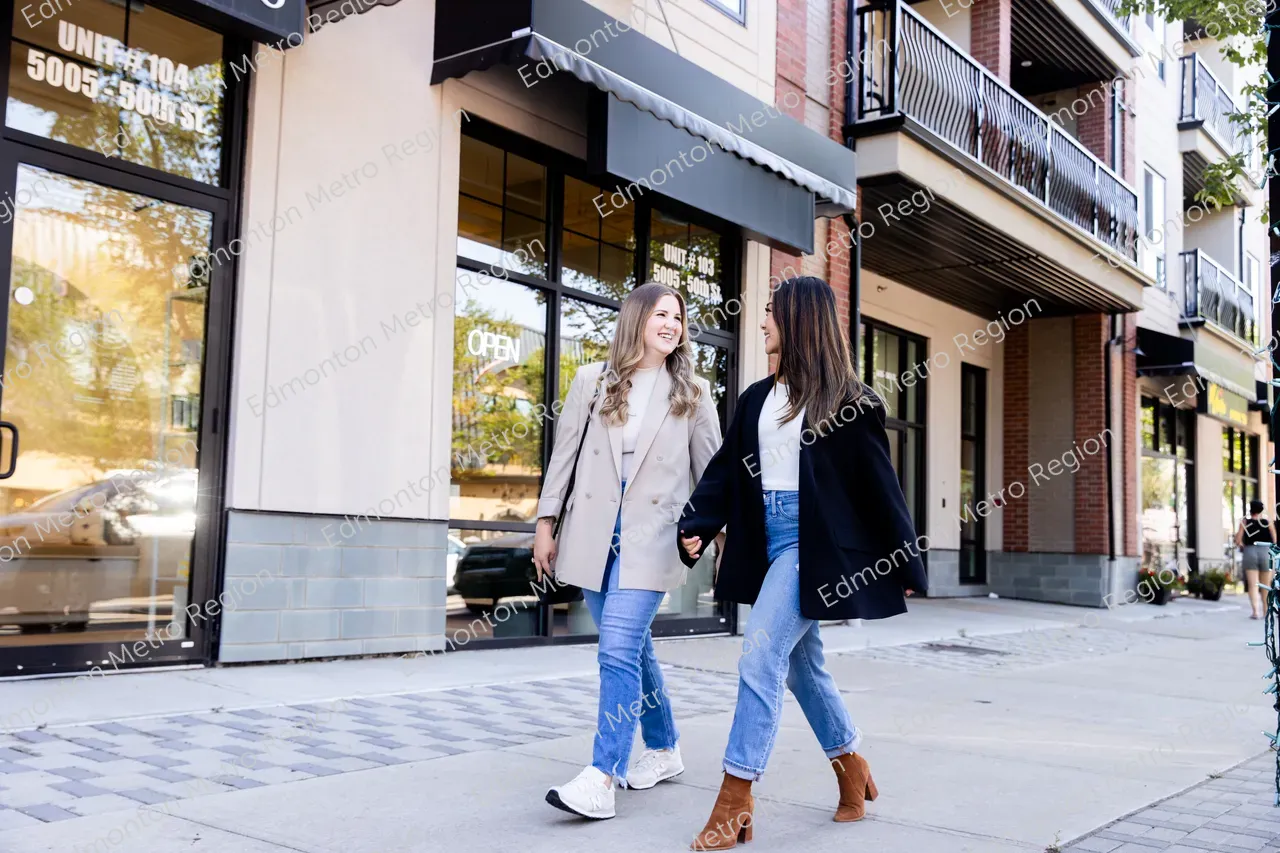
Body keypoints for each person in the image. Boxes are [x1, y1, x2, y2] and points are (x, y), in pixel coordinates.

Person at [677, 276, 926, 850]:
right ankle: (852, 769)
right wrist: (697, 524)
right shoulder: (754, 400)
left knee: (760, 654)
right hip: (765, 538)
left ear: (798, 320)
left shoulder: (850, 402)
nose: (761, 321)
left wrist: (906, 564)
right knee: (802, 668)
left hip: (812, 547)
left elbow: (880, 489)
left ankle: (734, 799)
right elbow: (724, 472)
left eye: (769, 312)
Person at [533, 282, 722, 820]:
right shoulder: (592, 381)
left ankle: (602, 776)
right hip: (592, 536)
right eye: (662, 313)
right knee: (633, 651)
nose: (672, 324)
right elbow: (564, 457)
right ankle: (664, 749)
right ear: (636, 318)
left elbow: (712, 472)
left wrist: (718, 535)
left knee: (615, 649)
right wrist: (546, 523)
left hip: (654, 538)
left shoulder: (693, 391)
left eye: (679, 317)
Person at [1236, 499, 1276, 619]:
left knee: (1253, 585)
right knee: (1266, 584)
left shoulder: (1245, 522)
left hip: (1250, 551)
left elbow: (1238, 540)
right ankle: (1266, 611)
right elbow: (1274, 539)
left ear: (1250, 509)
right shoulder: (1267, 522)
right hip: (1266, 552)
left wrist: (1243, 545)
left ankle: (1255, 612)